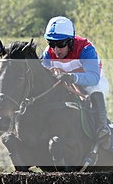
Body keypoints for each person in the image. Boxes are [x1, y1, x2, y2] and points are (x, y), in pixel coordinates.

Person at [41, 15, 111, 143]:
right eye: (51, 43)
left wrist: (71, 77)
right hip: (65, 83)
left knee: (95, 89)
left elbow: (93, 78)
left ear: (70, 41)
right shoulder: (48, 53)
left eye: (60, 44)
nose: (56, 49)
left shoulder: (86, 49)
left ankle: (102, 128)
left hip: (91, 82)